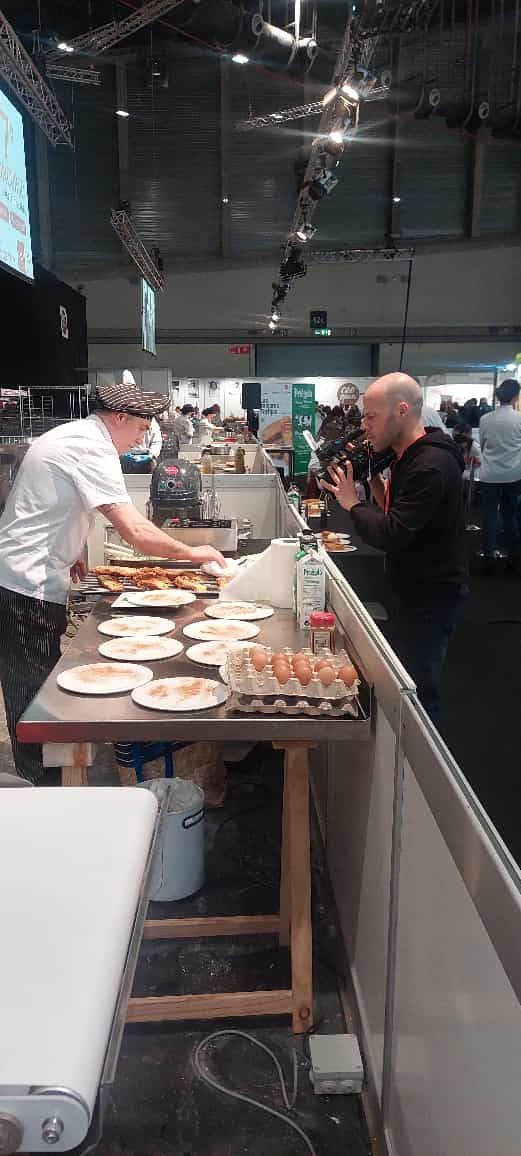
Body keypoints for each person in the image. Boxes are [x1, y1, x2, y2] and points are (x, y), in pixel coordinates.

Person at [0, 381, 225, 784]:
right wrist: (195, 553)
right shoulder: (92, 446)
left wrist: (73, 549)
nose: (141, 439)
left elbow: (55, 502)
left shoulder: (76, 435)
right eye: (141, 429)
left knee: (36, 686)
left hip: (26, 576)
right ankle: (43, 791)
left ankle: (50, 779)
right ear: (119, 418)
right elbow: (135, 530)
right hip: (22, 585)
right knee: (34, 696)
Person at [321, 373, 467, 728]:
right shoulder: (408, 457)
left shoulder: (430, 465)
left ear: (402, 411)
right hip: (411, 585)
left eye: (371, 417)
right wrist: (373, 482)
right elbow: (402, 515)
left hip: (432, 593)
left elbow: (392, 533)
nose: (365, 426)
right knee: (406, 675)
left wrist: (352, 503)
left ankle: (425, 774)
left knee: (417, 690)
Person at [479, 378, 521, 571]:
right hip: (513, 475)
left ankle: (488, 556)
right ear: (515, 396)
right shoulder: (519, 419)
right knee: (510, 516)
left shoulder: (486, 419)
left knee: (489, 516)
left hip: (489, 475)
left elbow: (484, 444)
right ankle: (514, 557)